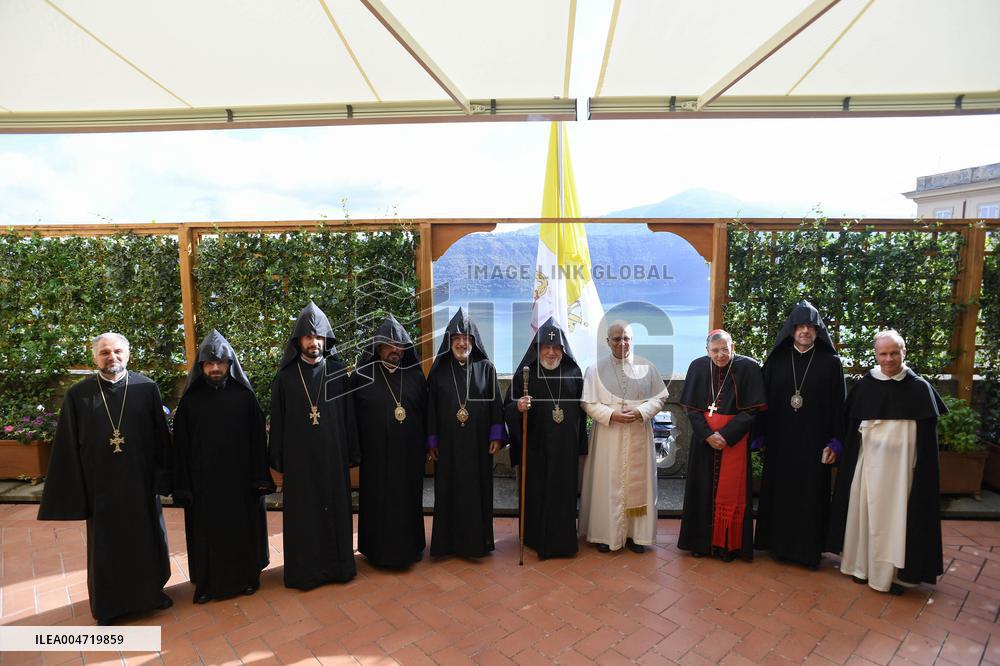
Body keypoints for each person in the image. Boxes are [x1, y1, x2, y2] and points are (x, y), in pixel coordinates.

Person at [38, 332, 173, 625]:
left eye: (117, 351)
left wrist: (163, 477)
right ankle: (109, 607)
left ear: (128, 354)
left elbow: (160, 437)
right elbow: (68, 444)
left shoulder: (146, 387)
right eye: (105, 352)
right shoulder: (78, 395)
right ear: (94, 357)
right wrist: (75, 492)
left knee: (146, 539)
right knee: (106, 547)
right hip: (101, 486)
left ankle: (151, 596)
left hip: (139, 482)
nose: (112, 357)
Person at [827, 330, 945, 595]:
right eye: (883, 354)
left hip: (903, 471)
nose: (889, 359)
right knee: (863, 513)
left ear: (904, 352)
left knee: (898, 520)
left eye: (894, 353)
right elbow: (851, 431)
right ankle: (861, 567)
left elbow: (927, 444)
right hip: (868, 468)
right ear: (876, 355)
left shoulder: (919, 389)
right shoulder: (865, 387)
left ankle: (895, 575)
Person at [172, 330, 271, 603]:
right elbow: (181, 447)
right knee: (206, 534)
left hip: (240, 482)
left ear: (229, 364)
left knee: (243, 529)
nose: (215, 368)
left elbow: (257, 441)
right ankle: (206, 584)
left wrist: (259, 479)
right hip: (204, 485)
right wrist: (183, 486)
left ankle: (248, 578)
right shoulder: (190, 401)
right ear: (201, 366)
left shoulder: (245, 398)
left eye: (220, 363)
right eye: (209, 363)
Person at [268, 301, 360, 589]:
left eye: (319, 337)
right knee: (304, 516)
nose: (314, 342)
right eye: (308, 337)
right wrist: (277, 461)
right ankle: (304, 573)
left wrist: (352, 453)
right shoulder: (285, 378)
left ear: (326, 340)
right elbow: (278, 421)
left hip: (333, 457)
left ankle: (338, 569)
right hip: (300, 463)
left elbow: (349, 417)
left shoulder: (338, 373)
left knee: (335, 511)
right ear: (299, 341)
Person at [753, 301, 845, 569]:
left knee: (811, 496)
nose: (805, 331)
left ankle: (808, 551)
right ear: (792, 330)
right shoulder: (776, 360)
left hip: (815, 443)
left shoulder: (831, 363)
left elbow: (839, 405)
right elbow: (762, 402)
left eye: (811, 327)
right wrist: (761, 435)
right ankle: (779, 546)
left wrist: (836, 442)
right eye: (800, 326)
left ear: (818, 331)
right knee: (781, 493)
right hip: (780, 442)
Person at [580, 321, 668, 553]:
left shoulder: (647, 367)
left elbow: (660, 397)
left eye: (626, 338)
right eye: (616, 338)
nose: (622, 343)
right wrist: (611, 415)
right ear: (608, 341)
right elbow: (587, 402)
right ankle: (605, 534)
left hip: (638, 430)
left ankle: (635, 536)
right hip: (608, 434)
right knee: (607, 483)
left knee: (636, 484)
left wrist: (641, 411)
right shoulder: (594, 370)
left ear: (632, 340)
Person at [678, 329, 766, 562]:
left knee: (733, 493)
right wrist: (708, 435)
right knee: (702, 490)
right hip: (704, 441)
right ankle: (700, 543)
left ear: (732, 347)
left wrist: (726, 435)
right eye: (715, 351)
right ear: (707, 351)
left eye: (724, 350)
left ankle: (729, 545)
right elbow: (692, 409)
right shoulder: (698, 367)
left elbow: (752, 410)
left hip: (734, 441)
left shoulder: (748, 367)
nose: (720, 355)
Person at [504, 317, 587, 559]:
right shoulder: (525, 375)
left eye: (556, 347)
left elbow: (582, 413)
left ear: (563, 349)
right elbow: (507, 407)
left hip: (565, 449)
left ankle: (563, 540)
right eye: (546, 347)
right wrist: (518, 407)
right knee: (537, 493)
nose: (551, 352)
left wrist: (581, 446)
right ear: (538, 348)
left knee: (564, 494)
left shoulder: (573, 372)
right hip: (536, 448)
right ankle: (534, 537)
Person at [427, 308, 506, 558]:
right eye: (457, 338)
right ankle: (447, 544)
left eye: (467, 338)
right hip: (448, 445)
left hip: (478, 444)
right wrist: (432, 441)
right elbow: (430, 409)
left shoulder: (486, 368)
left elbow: (496, 406)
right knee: (448, 492)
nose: (462, 343)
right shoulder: (439, 371)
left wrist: (496, 436)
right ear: (449, 341)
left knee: (476, 492)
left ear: (474, 341)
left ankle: (476, 543)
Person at [350, 314, 427, 568]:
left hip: (408, 457)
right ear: (377, 347)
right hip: (376, 458)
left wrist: (427, 446)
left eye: (399, 345)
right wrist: (355, 451)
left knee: (407, 502)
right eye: (389, 345)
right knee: (378, 503)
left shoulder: (415, 376)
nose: (395, 350)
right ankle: (376, 550)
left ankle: (411, 548)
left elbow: (426, 414)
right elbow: (351, 418)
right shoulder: (361, 377)